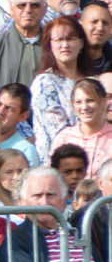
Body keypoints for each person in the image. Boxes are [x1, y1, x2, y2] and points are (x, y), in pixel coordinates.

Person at [27, 15, 90, 158]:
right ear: (49, 45)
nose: (65, 45)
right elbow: (57, 131)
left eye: (70, 38)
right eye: (59, 40)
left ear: (81, 43)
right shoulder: (44, 83)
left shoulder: (92, 80)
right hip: (59, 160)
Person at [0, 0, 47, 90]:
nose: (28, 10)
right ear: (11, 9)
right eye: (21, 5)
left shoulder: (54, 44)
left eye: (35, 5)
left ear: (45, 9)